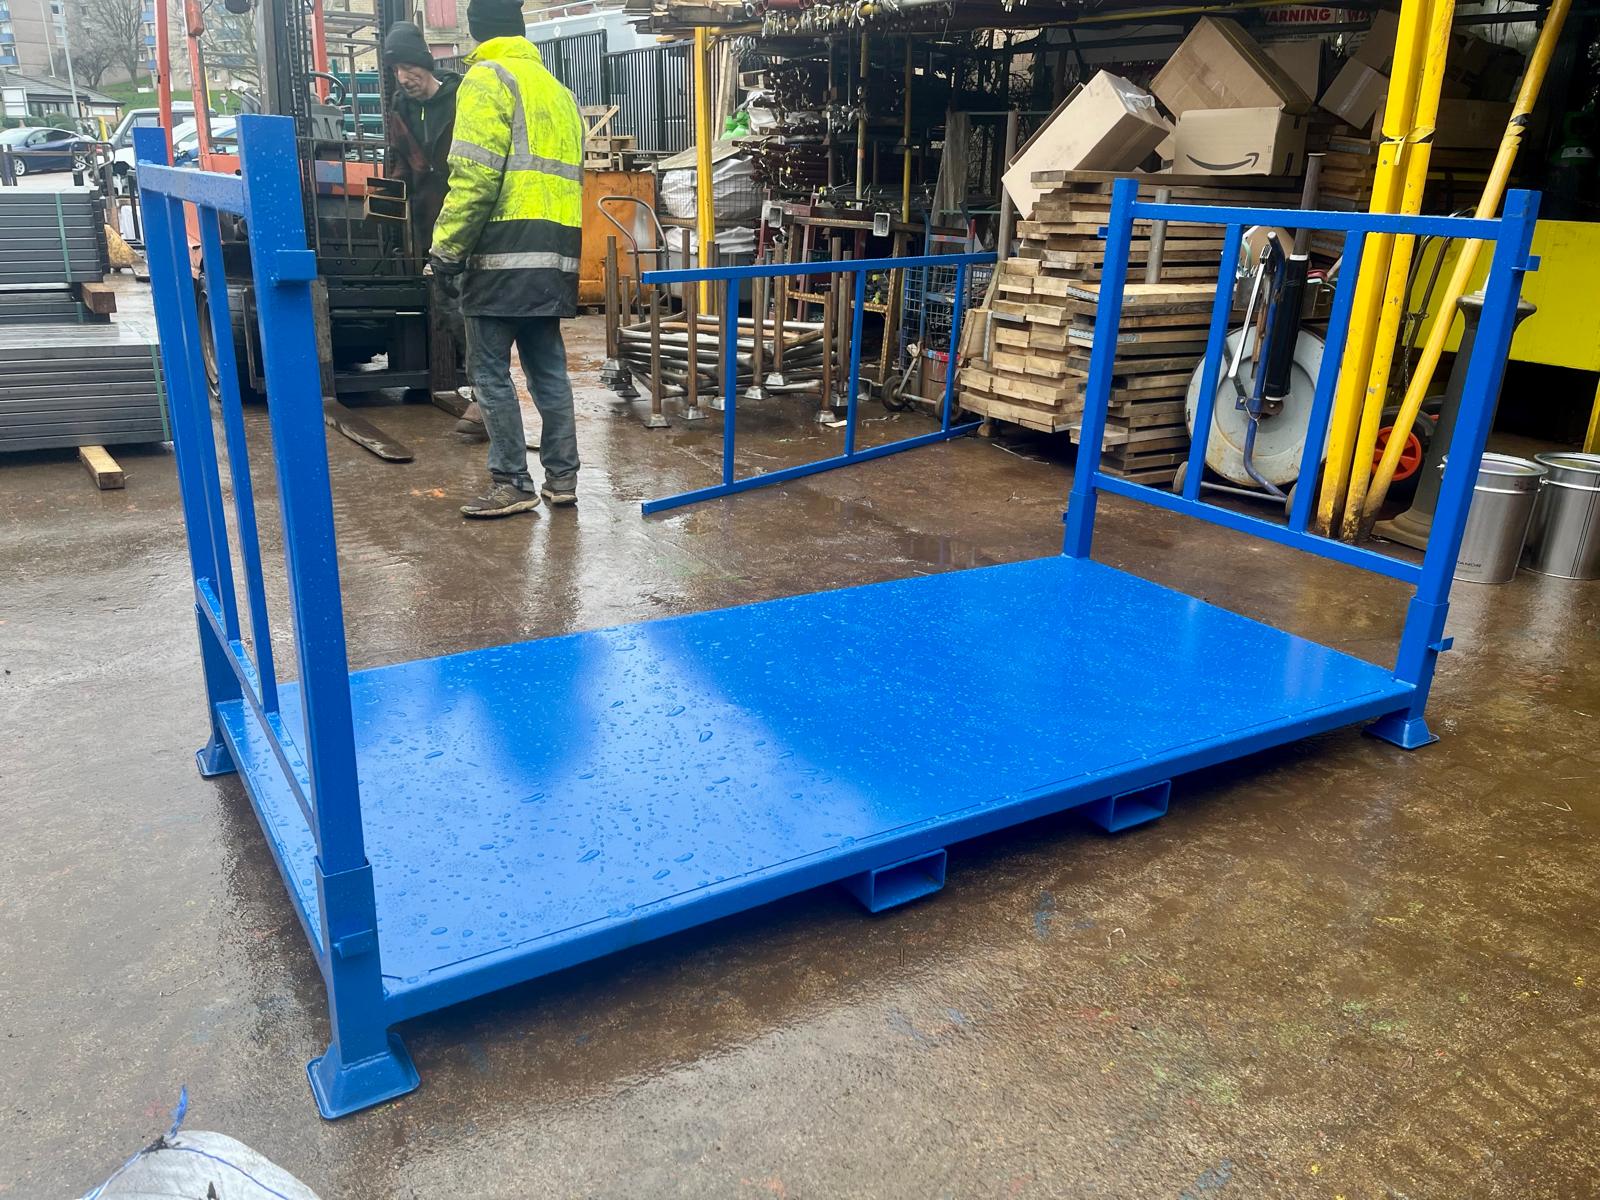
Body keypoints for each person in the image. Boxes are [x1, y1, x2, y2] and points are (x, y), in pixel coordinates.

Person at [429, 0, 584, 519]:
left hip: (500, 255)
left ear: (476, 32)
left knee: (489, 373)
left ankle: (512, 482)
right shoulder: (558, 91)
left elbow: (474, 179)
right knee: (549, 372)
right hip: (554, 257)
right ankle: (562, 478)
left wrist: (446, 251)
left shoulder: (487, 79)